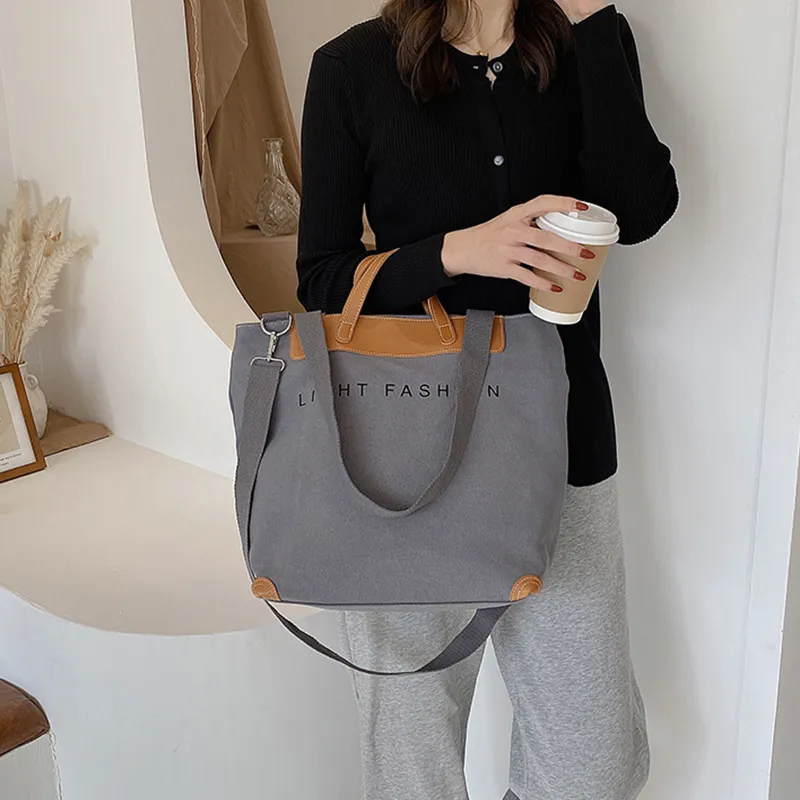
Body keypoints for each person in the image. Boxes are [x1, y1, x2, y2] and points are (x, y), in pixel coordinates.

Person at [295, 0, 678, 797]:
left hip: (560, 443)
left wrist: (595, 20)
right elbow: (323, 279)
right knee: (413, 765)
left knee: (594, 765)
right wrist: (461, 251)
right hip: (403, 463)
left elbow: (640, 207)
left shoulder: (587, 41)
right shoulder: (351, 67)